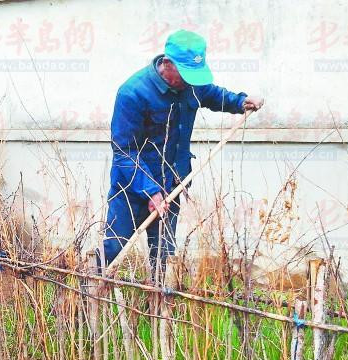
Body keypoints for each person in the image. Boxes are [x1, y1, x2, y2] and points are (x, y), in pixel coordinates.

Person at [104, 30, 264, 270]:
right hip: (131, 187)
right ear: (167, 64)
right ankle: (90, 297)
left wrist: (240, 102)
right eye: (187, 74)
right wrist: (150, 190)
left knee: (163, 257)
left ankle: (158, 306)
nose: (192, 81)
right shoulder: (132, 93)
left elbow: (213, 94)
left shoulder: (191, 85)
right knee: (114, 250)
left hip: (172, 184)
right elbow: (124, 151)